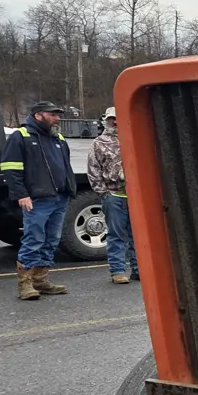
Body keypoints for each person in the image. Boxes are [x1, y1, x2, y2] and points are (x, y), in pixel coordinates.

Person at [0, 100, 75, 300]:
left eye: (57, 114)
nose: (57, 118)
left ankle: (40, 280)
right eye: (52, 114)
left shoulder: (57, 137)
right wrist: (21, 194)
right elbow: (10, 169)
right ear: (38, 115)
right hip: (37, 199)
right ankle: (25, 285)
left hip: (59, 197)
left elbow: (65, 166)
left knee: (51, 240)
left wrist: (69, 189)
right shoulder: (21, 136)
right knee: (34, 240)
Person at [87, 106, 137, 284]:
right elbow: (93, 170)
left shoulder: (134, 139)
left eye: (118, 118)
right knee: (116, 235)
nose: (115, 122)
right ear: (106, 121)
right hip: (114, 196)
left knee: (138, 236)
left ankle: (139, 270)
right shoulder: (99, 143)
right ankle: (118, 271)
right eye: (111, 119)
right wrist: (104, 193)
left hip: (136, 197)